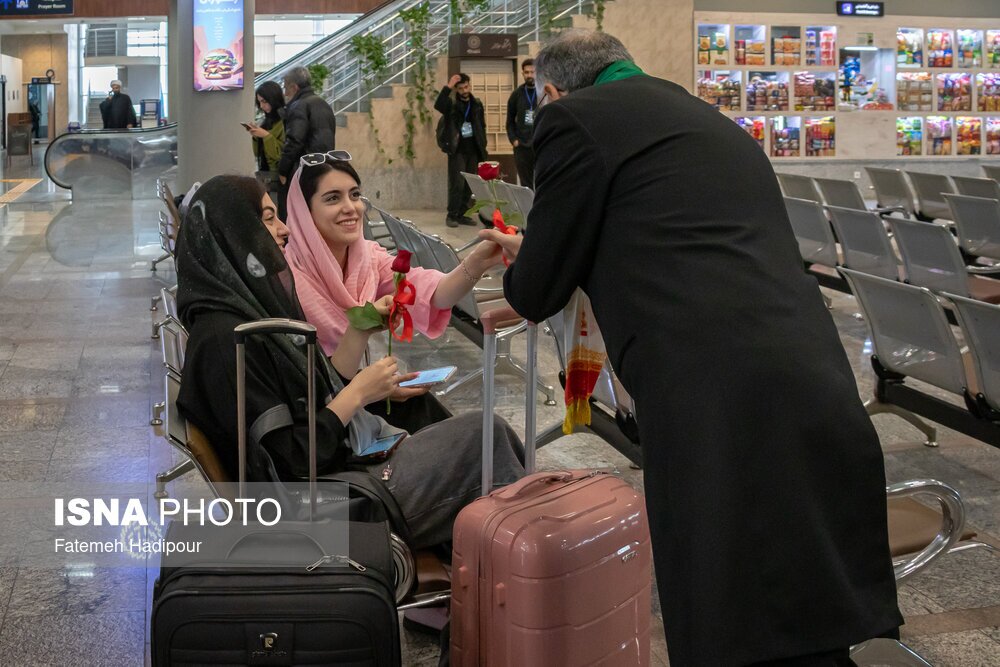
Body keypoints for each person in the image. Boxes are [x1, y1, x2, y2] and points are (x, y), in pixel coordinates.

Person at [480, 30, 901, 666]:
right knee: (805, 594)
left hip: (716, 394)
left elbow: (538, 289)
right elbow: (666, 231)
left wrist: (532, 259)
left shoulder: (573, 119)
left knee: (725, 597)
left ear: (554, 92)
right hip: (809, 369)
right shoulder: (707, 117)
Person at [175, 175, 525, 550]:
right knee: (485, 438)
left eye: (355, 195)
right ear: (235, 231)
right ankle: (519, 562)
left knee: (476, 432)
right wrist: (357, 392)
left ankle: (496, 563)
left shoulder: (244, 314)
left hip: (333, 477)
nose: (283, 230)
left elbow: (307, 400)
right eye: (268, 219)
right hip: (320, 508)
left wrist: (359, 342)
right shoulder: (228, 340)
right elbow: (293, 463)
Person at [283, 153, 505, 431]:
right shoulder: (287, 278)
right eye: (332, 198)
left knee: (471, 429)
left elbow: (431, 292)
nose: (350, 208)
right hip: (320, 418)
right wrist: (368, 389)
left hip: (357, 393)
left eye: (355, 195)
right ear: (304, 212)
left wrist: (477, 262)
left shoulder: (366, 259)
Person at [277, 67, 337, 219]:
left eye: (286, 88)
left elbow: (294, 141)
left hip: (302, 169)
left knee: (295, 215)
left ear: (294, 87)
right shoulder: (323, 104)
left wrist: (283, 170)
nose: (285, 93)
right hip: (323, 166)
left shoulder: (299, 106)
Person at [434, 73, 487, 228]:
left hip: (474, 149)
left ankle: (463, 214)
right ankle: (451, 215)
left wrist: (483, 144)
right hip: (457, 150)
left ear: (469, 85)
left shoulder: (476, 104)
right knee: (457, 183)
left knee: (469, 183)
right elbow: (439, 105)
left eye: (466, 87)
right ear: (456, 90)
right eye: (461, 88)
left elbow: (481, 125)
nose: (464, 91)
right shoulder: (451, 105)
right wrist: (448, 86)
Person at [247, 81, 286, 211]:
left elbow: (281, 154)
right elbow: (258, 153)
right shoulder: (267, 121)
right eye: (259, 102)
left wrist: (266, 136)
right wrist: (256, 135)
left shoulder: (285, 121)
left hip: (278, 177)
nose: (262, 106)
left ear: (273, 99)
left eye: (264, 101)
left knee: (275, 211)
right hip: (265, 174)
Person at [505, 59, 538, 187]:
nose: (530, 75)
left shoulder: (544, 92)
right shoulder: (516, 95)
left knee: (542, 182)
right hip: (522, 146)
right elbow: (509, 120)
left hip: (540, 144)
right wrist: (514, 140)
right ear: (522, 73)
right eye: (527, 72)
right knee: (526, 184)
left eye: (532, 72)